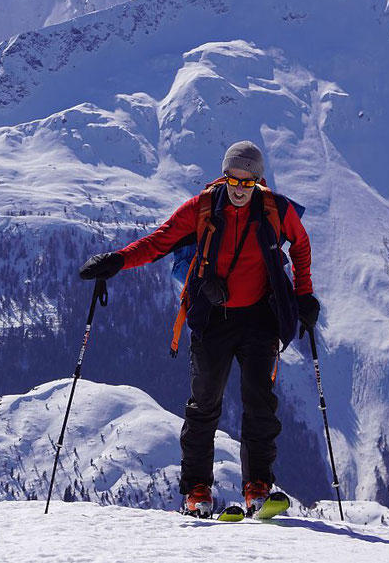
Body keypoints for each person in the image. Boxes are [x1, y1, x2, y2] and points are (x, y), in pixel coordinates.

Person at [79, 140, 320, 517]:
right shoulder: (203, 207)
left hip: (260, 318)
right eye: (233, 181)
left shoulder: (276, 209)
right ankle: (196, 490)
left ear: (259, 182)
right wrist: (117, 261)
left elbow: (301, 246)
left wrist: (304, 296)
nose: (239, 190)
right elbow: (159, 241)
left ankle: (258, 486)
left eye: (248, 183)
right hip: (213, 319)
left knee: (260, 403)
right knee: (204, 405)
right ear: (224, 177)